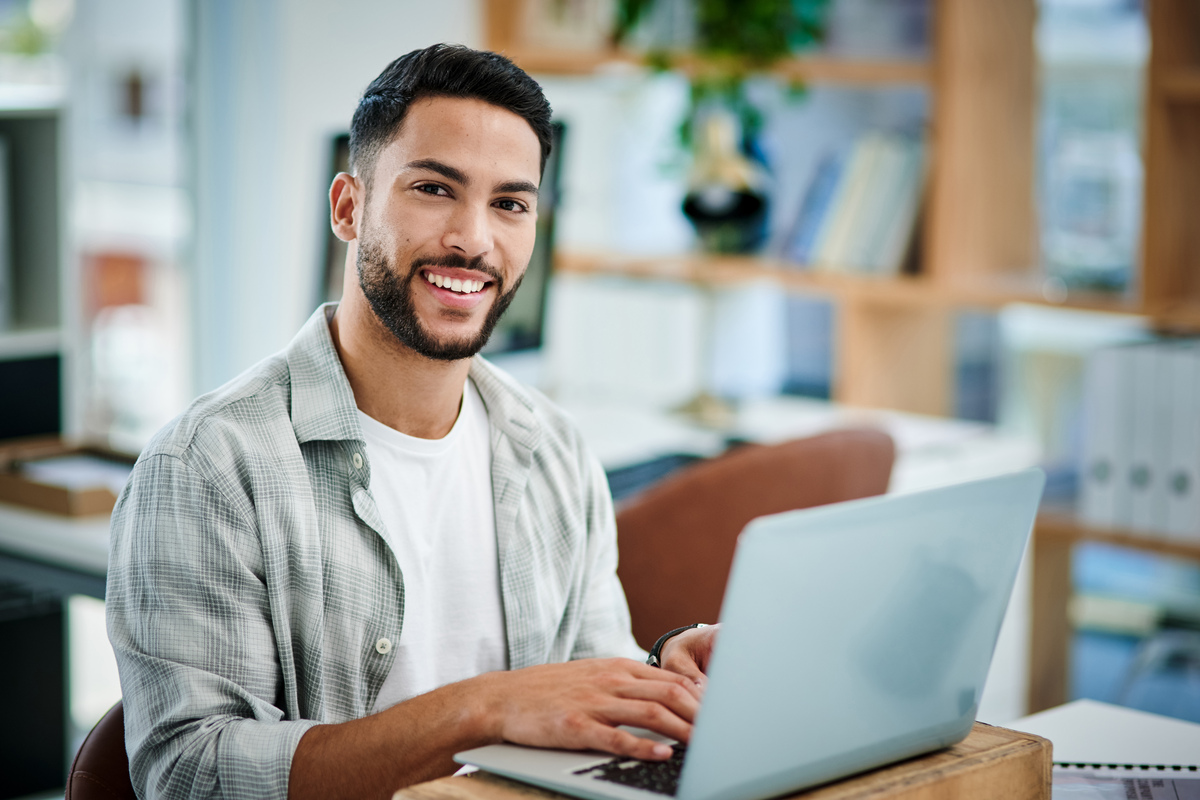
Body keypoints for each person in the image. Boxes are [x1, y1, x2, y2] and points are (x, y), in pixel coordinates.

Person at [106, 44, 718, 800]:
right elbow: (189, 774)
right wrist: (481, 709)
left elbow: (580, 696)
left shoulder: (552, 448)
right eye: (434, 188)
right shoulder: (208, 465)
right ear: (347, 207)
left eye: (510, 203)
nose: (473, 239)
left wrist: (659, 682)